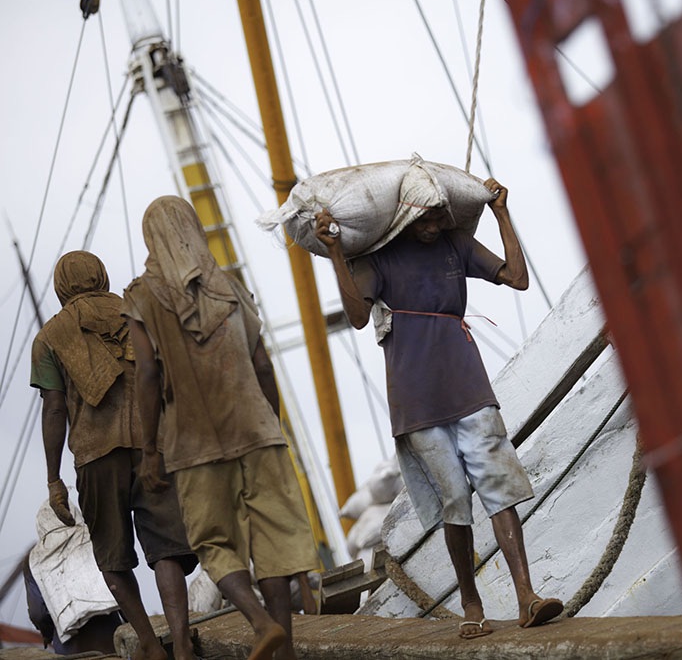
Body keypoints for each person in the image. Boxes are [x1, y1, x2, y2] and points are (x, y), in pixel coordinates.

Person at [314, 178, 563, 640]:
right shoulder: (377, 259)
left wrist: (501, 214)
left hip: (468, 385)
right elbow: (356, 317)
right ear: (404, 217)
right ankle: (472, 604)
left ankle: (527, 595)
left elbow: (517, 278)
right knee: (455, 501)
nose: (432, 225)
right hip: (415, 401)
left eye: (437, 216)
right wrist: (334, 255)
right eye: (423, 218)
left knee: (500, 487)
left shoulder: (455, 245)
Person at [123, 195, 319, 660]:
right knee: (275, 543)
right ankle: (283, 647)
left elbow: (147, 375)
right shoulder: (229, 287)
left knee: (213, 542)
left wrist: (150, 450)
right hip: (257, 431)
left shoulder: (141, 297)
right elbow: (262, 363)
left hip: (193, 445)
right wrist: (271, 422)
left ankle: (260, 623)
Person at [30, 250, 198, 660]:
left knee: (111, 556)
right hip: (152, 446)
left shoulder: (50, 337)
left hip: (94, 456)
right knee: (168, 549)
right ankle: (179, 644)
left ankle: (147, 643)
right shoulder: (136, 312)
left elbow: (54, 410)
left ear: (60, 287)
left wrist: (54, 481)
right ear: (102, 275)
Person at [24, 504, 124, 656]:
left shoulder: (33, 560)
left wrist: (47, 634)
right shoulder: (95, 538)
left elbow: (38, 613)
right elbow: (122, 588)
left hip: (70, 651)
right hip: (111, 643)